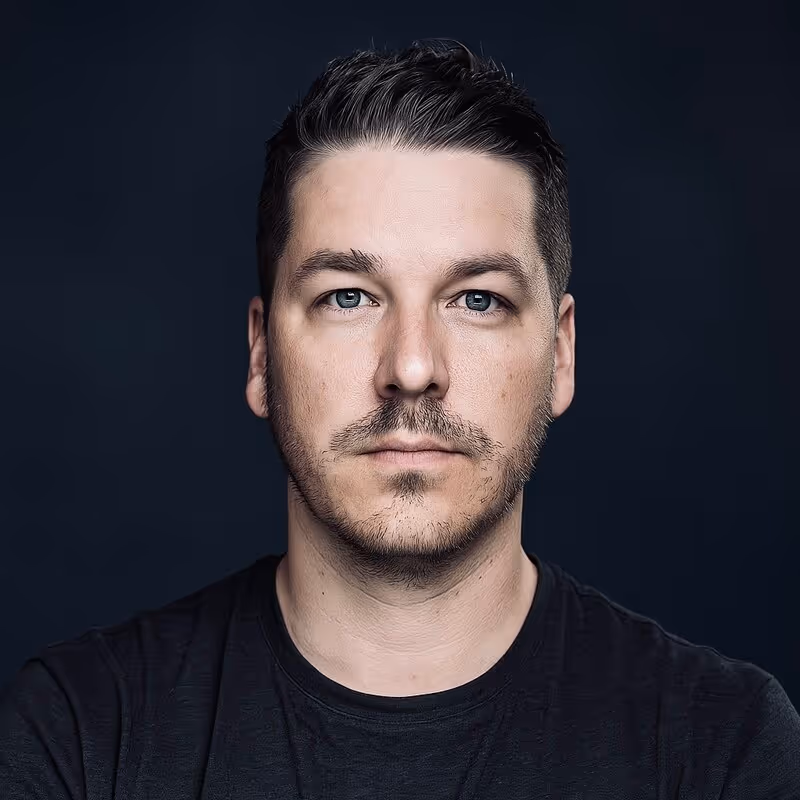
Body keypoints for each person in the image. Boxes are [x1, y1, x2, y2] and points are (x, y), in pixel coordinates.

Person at [1, 37, 798, 799]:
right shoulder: (79, 735)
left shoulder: (721, 746)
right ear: (259, 356)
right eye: (348, 297)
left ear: (561, 356)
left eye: (477, 300)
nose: (412, 368)